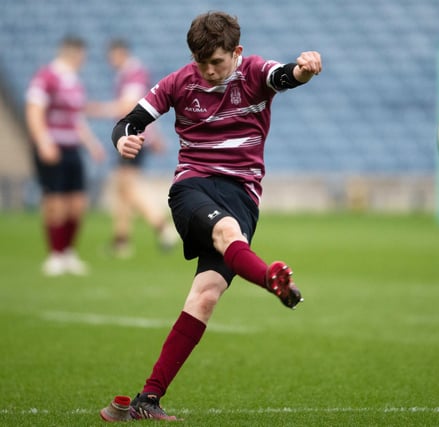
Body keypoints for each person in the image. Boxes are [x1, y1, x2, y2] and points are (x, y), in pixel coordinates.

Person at [99, 11, 322, 421]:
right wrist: (124, 141)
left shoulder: (254, 71)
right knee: (225, 231)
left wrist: (305, 68)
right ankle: (270, 279)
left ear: (236, 52)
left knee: (204, 297)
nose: (207, 71)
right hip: (193, 189)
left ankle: (148, 400)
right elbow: (128, 121)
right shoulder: (179, 82)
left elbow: (286, 76)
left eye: (216, 62)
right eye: (200, 62)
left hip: (242, 196)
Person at [87, 39, 177, 258]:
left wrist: (97, 109)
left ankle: (163, 227)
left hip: (132, 137)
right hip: (133, 135)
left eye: (112, 56)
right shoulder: (128, 74)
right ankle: (121, 240)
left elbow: (131, 106)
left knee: (128, 187)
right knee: (121, 189)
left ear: (120, 53)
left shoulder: (133, 74)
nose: (110, 61)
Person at [25, 35, 105, 276]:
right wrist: (43, 141)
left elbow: (76, 118)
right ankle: (55, 254)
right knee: (56, 202)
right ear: (73, 53)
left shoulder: (75, 81)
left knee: (77, 203)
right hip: (52, 146)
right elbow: (34, 110)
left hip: (72, 148)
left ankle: (68, 252)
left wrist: (91, 144)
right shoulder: (47, 76)